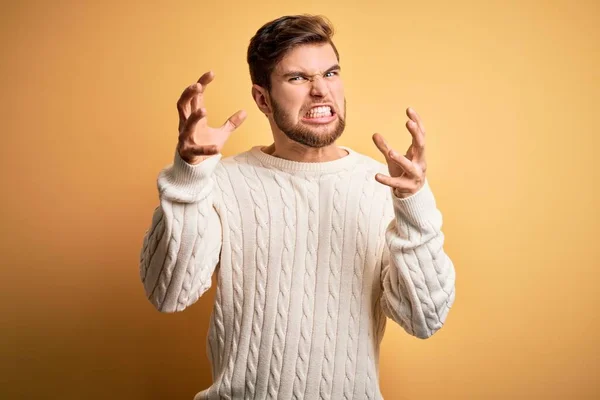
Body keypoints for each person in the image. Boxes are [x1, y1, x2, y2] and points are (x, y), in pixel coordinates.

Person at [139, 14, 456, 400]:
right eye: (298, 78)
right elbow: (169, 293)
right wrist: (189, 174)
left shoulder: (387, 186)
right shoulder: (222, 181)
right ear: (262, 99)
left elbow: (424, 319)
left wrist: (413, 205)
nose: (321, 90)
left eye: (331, 73)